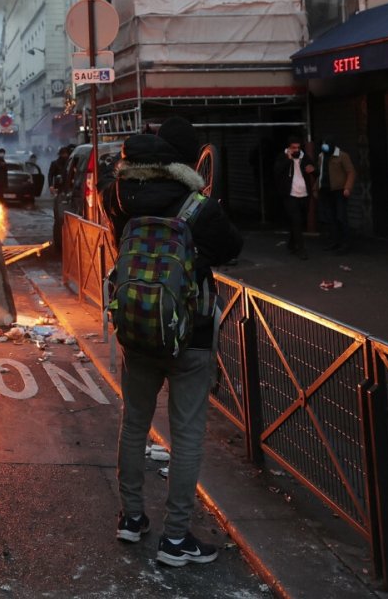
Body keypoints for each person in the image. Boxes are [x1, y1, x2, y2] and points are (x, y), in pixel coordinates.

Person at [100, 117, 242, 567]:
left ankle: (131, 517)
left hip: (138, 328)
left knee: (134, 424)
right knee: (186, 434)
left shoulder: (120, 196)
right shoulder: (199, 206)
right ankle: (176, 538)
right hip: (191, 333)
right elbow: (232, 247)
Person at [272, 137, 315, 259]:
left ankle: (291, 242)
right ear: (289, 148)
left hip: (304, 194)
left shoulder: (304, 157)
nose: (296, 150)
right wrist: (288, 160)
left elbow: (314, 170)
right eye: (293, 148)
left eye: (298, 147)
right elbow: (277, 171)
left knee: (299, 221)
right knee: (295, 220)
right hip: (290, 195)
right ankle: (300, 249)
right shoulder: (283, 157)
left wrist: (312, 170)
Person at [314, 140, 356, 252]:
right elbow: (320, 174)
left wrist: (347, 187)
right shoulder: (321, 156)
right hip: (326, 190)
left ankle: (346, 243)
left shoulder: (342, 156)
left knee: (341, 217)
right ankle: (335, 242)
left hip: (339, 191)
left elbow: (351, 172)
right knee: (330, 218)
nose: (325, 147)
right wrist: (316, 188)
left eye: (326, 145)